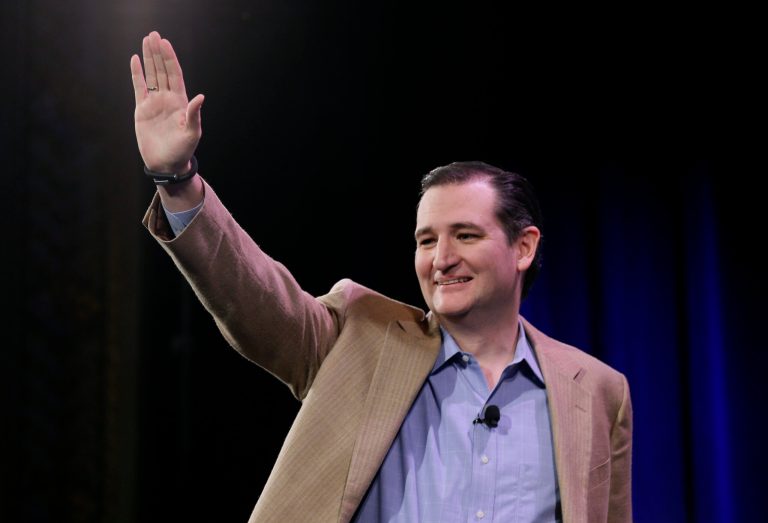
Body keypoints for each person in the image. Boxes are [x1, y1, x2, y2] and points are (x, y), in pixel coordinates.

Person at [131, 30, 632, 523]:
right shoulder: (359, 335)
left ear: (523, 247)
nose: (441, 258)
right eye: (427, 240)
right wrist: (178, 182)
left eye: (466, 236)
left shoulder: (597, 392)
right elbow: (252, 296)